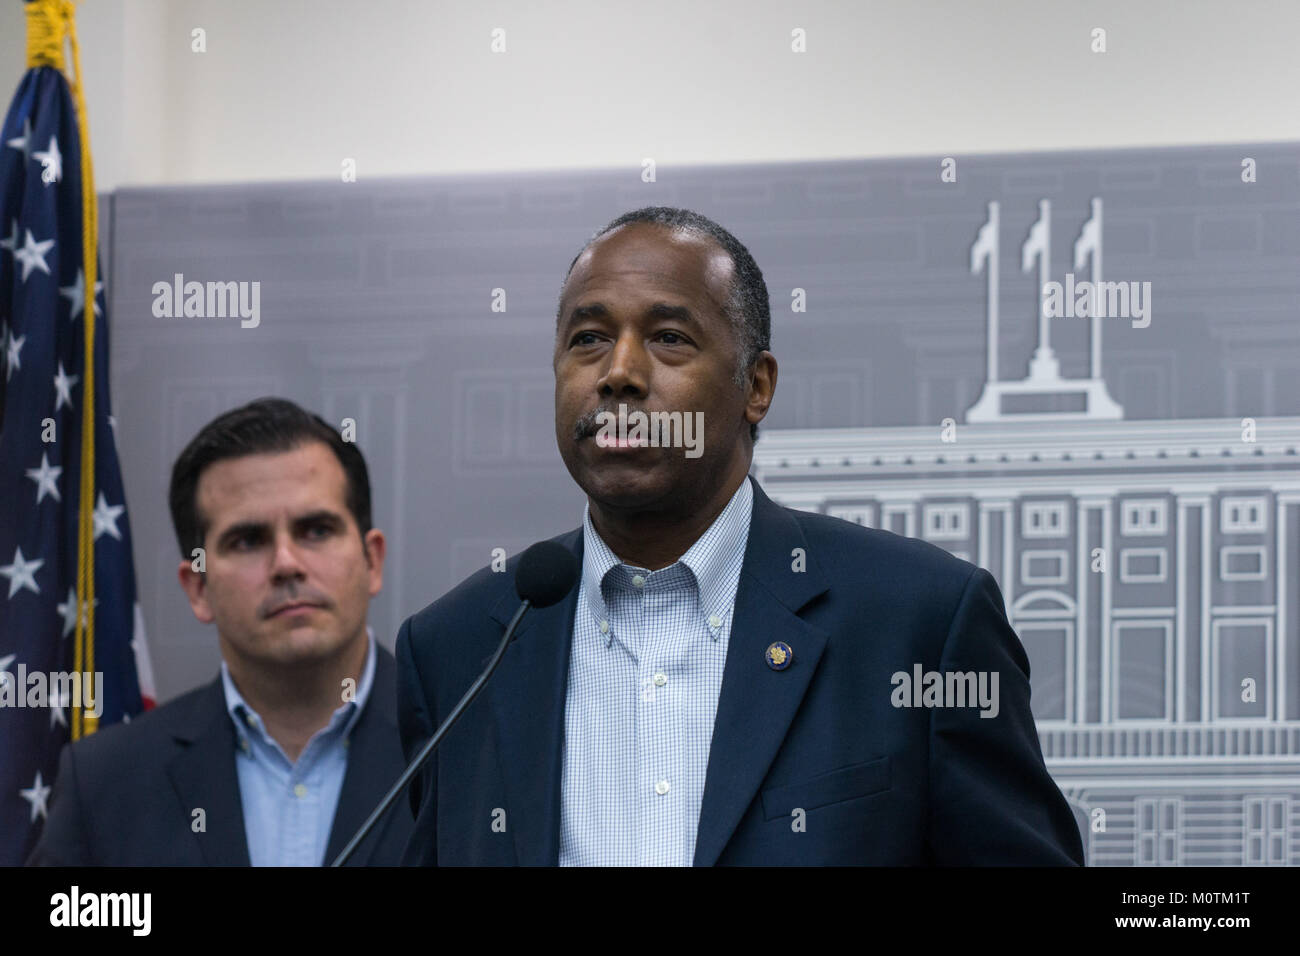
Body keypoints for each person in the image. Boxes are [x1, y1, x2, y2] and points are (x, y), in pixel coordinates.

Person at [396, 207, 1085, 865]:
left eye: (669, 338)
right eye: (588, 339)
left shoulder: (920, 624)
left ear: (756, 386)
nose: (619, 374)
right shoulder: (459, 653)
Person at [29, 398, 412, 866]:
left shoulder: (467, 749)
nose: (286, 564)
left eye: (316, 530)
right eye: (248, 540)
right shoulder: (105, 782)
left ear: (372, 560)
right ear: (198, 588)